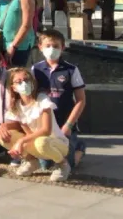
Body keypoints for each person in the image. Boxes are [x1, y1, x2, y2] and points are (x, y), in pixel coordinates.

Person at [0, 67, 71, 182]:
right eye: (19, 82)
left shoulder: (42, 100)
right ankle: (31, 161)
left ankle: (63, 164)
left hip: (55, 143)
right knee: (5, 137)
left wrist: (21, 142)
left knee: (41, 142)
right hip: (38, 143)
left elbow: (46, 130)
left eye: (27, 80)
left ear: (33, 82)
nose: (24, 83)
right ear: (14, 88)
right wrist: (3, 127)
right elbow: (27, 130)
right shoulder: (17, 106)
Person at [32, 29, 87, 170]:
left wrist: (69, 125)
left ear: (62, 47)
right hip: (45, 125)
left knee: (69, 165)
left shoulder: (71, 70)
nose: (52, 49)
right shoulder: (35, 69)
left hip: (64, 123)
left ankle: (79, 148)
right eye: (48, 45)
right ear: (40, 47)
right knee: (45, 166)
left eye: (56, 46)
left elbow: (81, 100)